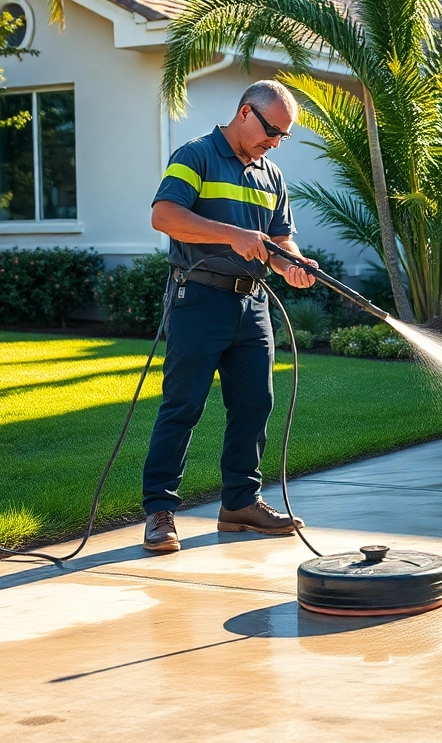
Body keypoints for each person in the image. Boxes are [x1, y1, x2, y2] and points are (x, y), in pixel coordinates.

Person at [141, 80, 318, 553]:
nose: (275, 142)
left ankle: (240, 503)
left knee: (255, 404)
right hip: (197, 298)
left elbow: (279, 243)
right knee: (183, 406)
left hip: (253, 303)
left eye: (282, 136)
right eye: (271, 130)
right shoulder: (195, 154)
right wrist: (230, 234)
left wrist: (292, 266)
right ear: (245, 112)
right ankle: (160, 510)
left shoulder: (271, 175)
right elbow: (164, 216)